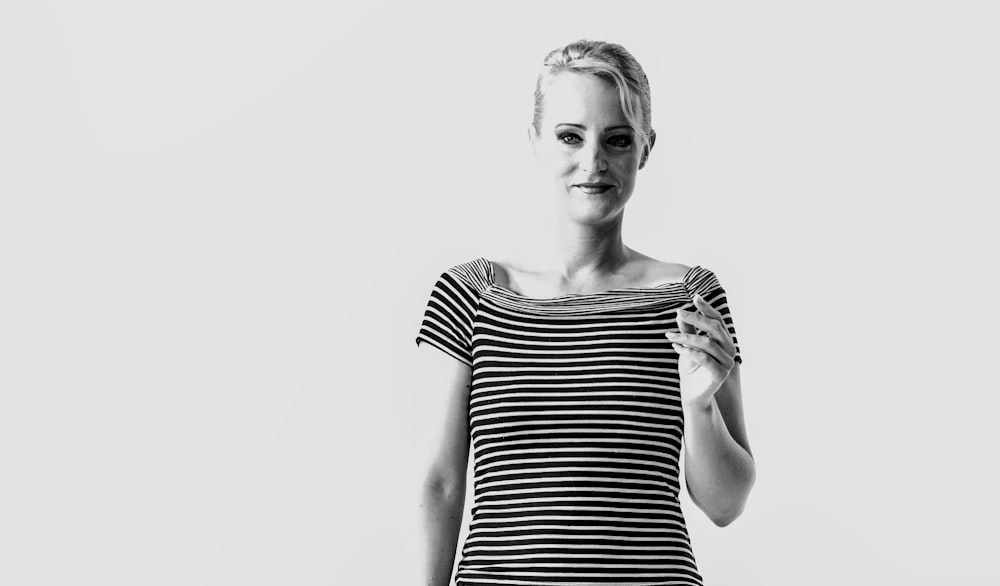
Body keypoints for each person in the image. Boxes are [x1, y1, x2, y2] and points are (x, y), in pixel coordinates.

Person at [413, 39, 755, 586]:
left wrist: (700, 406)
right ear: (536, 141)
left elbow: (725, 503)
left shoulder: (690, 296)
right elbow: (440, 484)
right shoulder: (471, 294)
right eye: (570, 136)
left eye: (617, 140)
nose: (593, 162)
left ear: (645, 149)